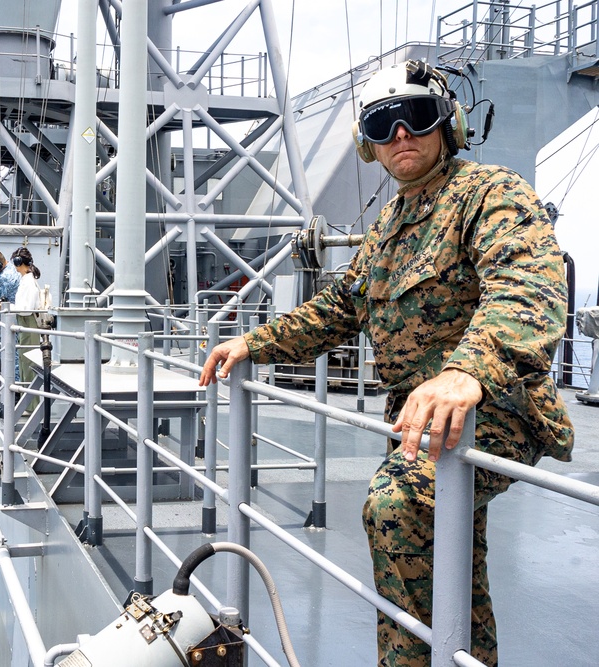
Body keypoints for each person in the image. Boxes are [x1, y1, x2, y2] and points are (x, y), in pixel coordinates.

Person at [199, 59, 573, 667]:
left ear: (447, 124)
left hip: (497, 407)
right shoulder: (390, 225)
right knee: (453, 561)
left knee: (396, 506)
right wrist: (256, 343)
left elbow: (527, 283)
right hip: (423, 422)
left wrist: (467, 371)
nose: (401, 132)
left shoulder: (490, 193)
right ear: (368, 144)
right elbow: (342, 306)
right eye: (382, 122)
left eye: (416, 116)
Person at [11, 246, 42, 395]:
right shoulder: (26, 280)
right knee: (24, 361)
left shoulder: (29, 282)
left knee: (28, 362)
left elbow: (27, 309)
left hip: (28, 322)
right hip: (24, 321)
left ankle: (31, 405)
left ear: (18, 262)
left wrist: (9, 307)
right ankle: (27, 402)